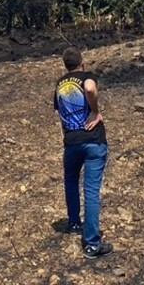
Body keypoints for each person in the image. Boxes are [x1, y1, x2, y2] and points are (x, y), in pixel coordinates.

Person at [53, 48, 113, 259]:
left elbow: (60, 112)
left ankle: (74, 223)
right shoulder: (87, 77)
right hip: (93, 140)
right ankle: (91, 243)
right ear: (82, 63)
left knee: (70, 181)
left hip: (71, 141)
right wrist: (95, 111)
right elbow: (89, 89)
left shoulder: (60, 84)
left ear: (65, 65)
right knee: (90, 189)